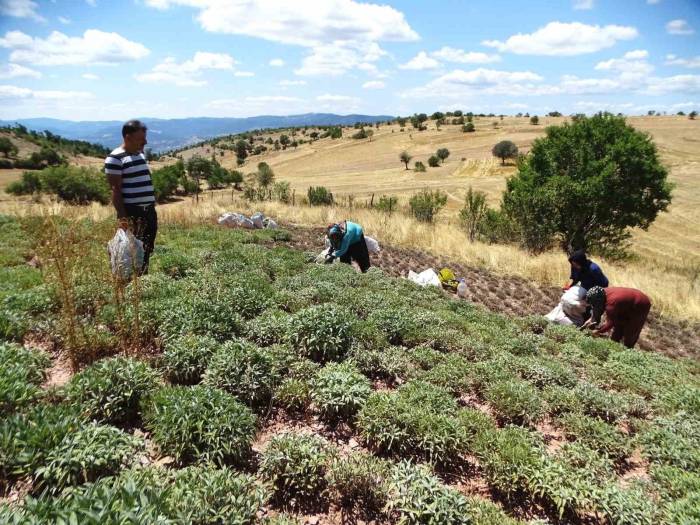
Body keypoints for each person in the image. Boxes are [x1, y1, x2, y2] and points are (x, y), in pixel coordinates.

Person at [104, 120, 157, 274]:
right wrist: (123, 218)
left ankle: (143, 279)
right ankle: (129, 283)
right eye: (141, 138)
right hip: (133, 212)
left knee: (147, 248)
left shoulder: (139, 155)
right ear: (128, 137)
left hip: (149, 212)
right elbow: (116, 190)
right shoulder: (115, 159)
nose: (145, 142)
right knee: (130, 250)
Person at [582, 286, 651, 348]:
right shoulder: (601, 293)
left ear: (599, 300)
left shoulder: (611, 304)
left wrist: (598, 331)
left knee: (631, 332)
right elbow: (597, 308)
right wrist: (591, 319)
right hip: (626, 303)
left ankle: (628, 350)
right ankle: (614, 347)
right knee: (617, 331)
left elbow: (610, 323)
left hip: (641, 303)